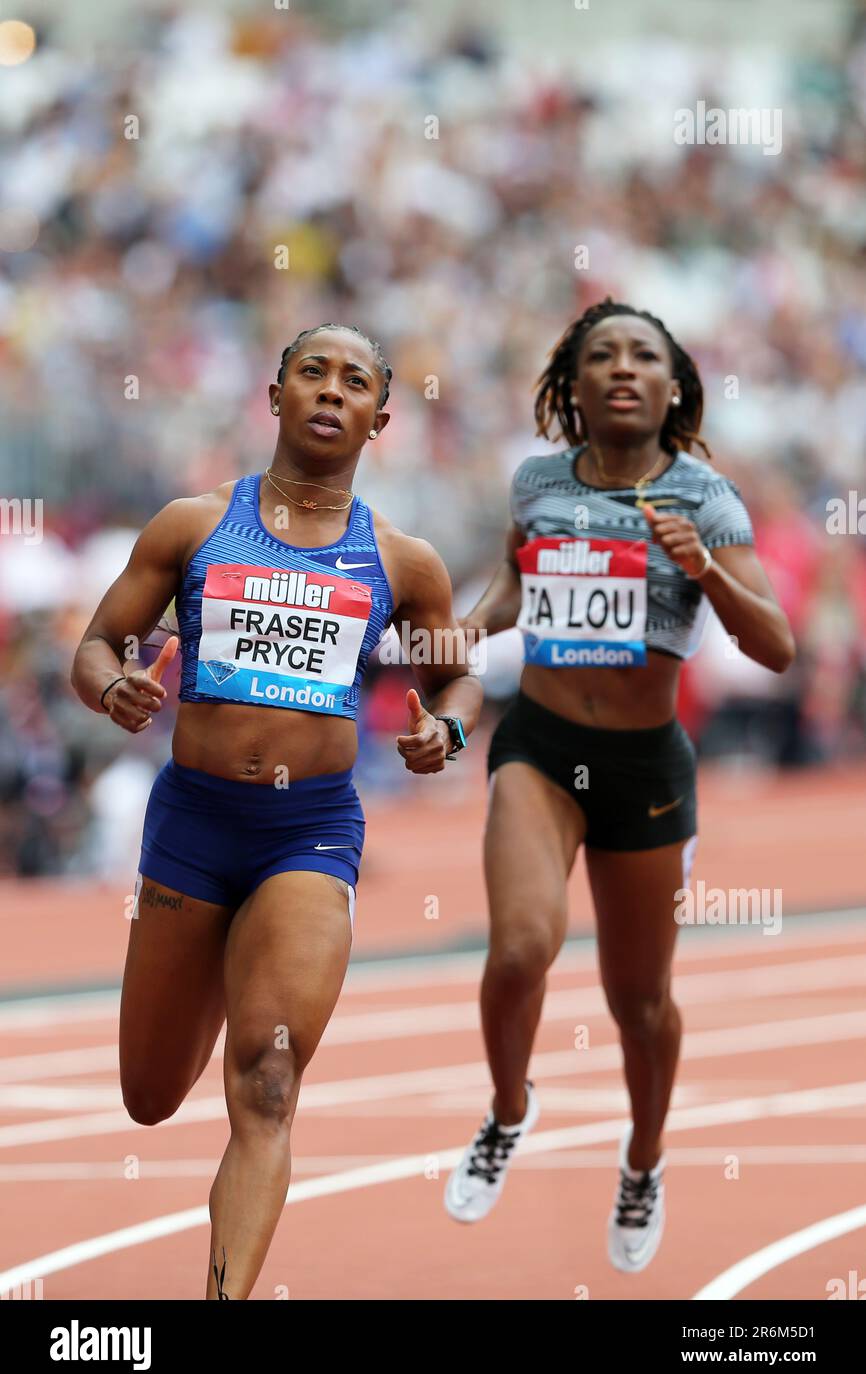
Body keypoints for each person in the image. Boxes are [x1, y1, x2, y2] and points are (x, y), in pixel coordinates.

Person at [71, 324, 482, 1299]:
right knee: (148, 1095)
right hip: (192, 825)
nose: (330, 391)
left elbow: (457, 681)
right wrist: (113, 687)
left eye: (354, 381)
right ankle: (218, 964)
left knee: (267, 1077)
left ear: (381, 415)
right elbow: (95, 645)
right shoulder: (191, 525)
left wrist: (448, 734)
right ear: (274, 395)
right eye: (312, 372)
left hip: (310, 832)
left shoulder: (402, 561)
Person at [444, 297, 794, 1273]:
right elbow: (513, 583)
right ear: (576, 383)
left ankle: (642, 1157)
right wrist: (456, 639)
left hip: (643, 767)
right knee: (518, 947)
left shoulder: (704, 497)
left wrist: (707, 574)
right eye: (601, 355)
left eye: (643, 354)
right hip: (541, 746)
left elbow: (774, 646)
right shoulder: (536, 481)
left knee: (637, 997)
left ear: (672, 384)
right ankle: (509, 1109)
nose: (623, 367)